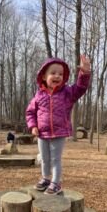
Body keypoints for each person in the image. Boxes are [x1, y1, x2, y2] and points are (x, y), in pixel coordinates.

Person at [26, 55, 91, 195]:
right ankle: (45, 178)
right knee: (44, 158)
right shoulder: (39, 95)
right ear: (43, 76)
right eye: (53, 73)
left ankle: (56, 182)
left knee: (55, 159)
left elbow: (80, 88)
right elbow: (30, 112)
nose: (57, 76)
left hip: (59, 132)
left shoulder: (67, 93)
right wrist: (33, 126)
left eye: (60, 74)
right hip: (42, 134)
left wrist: (84, 73)